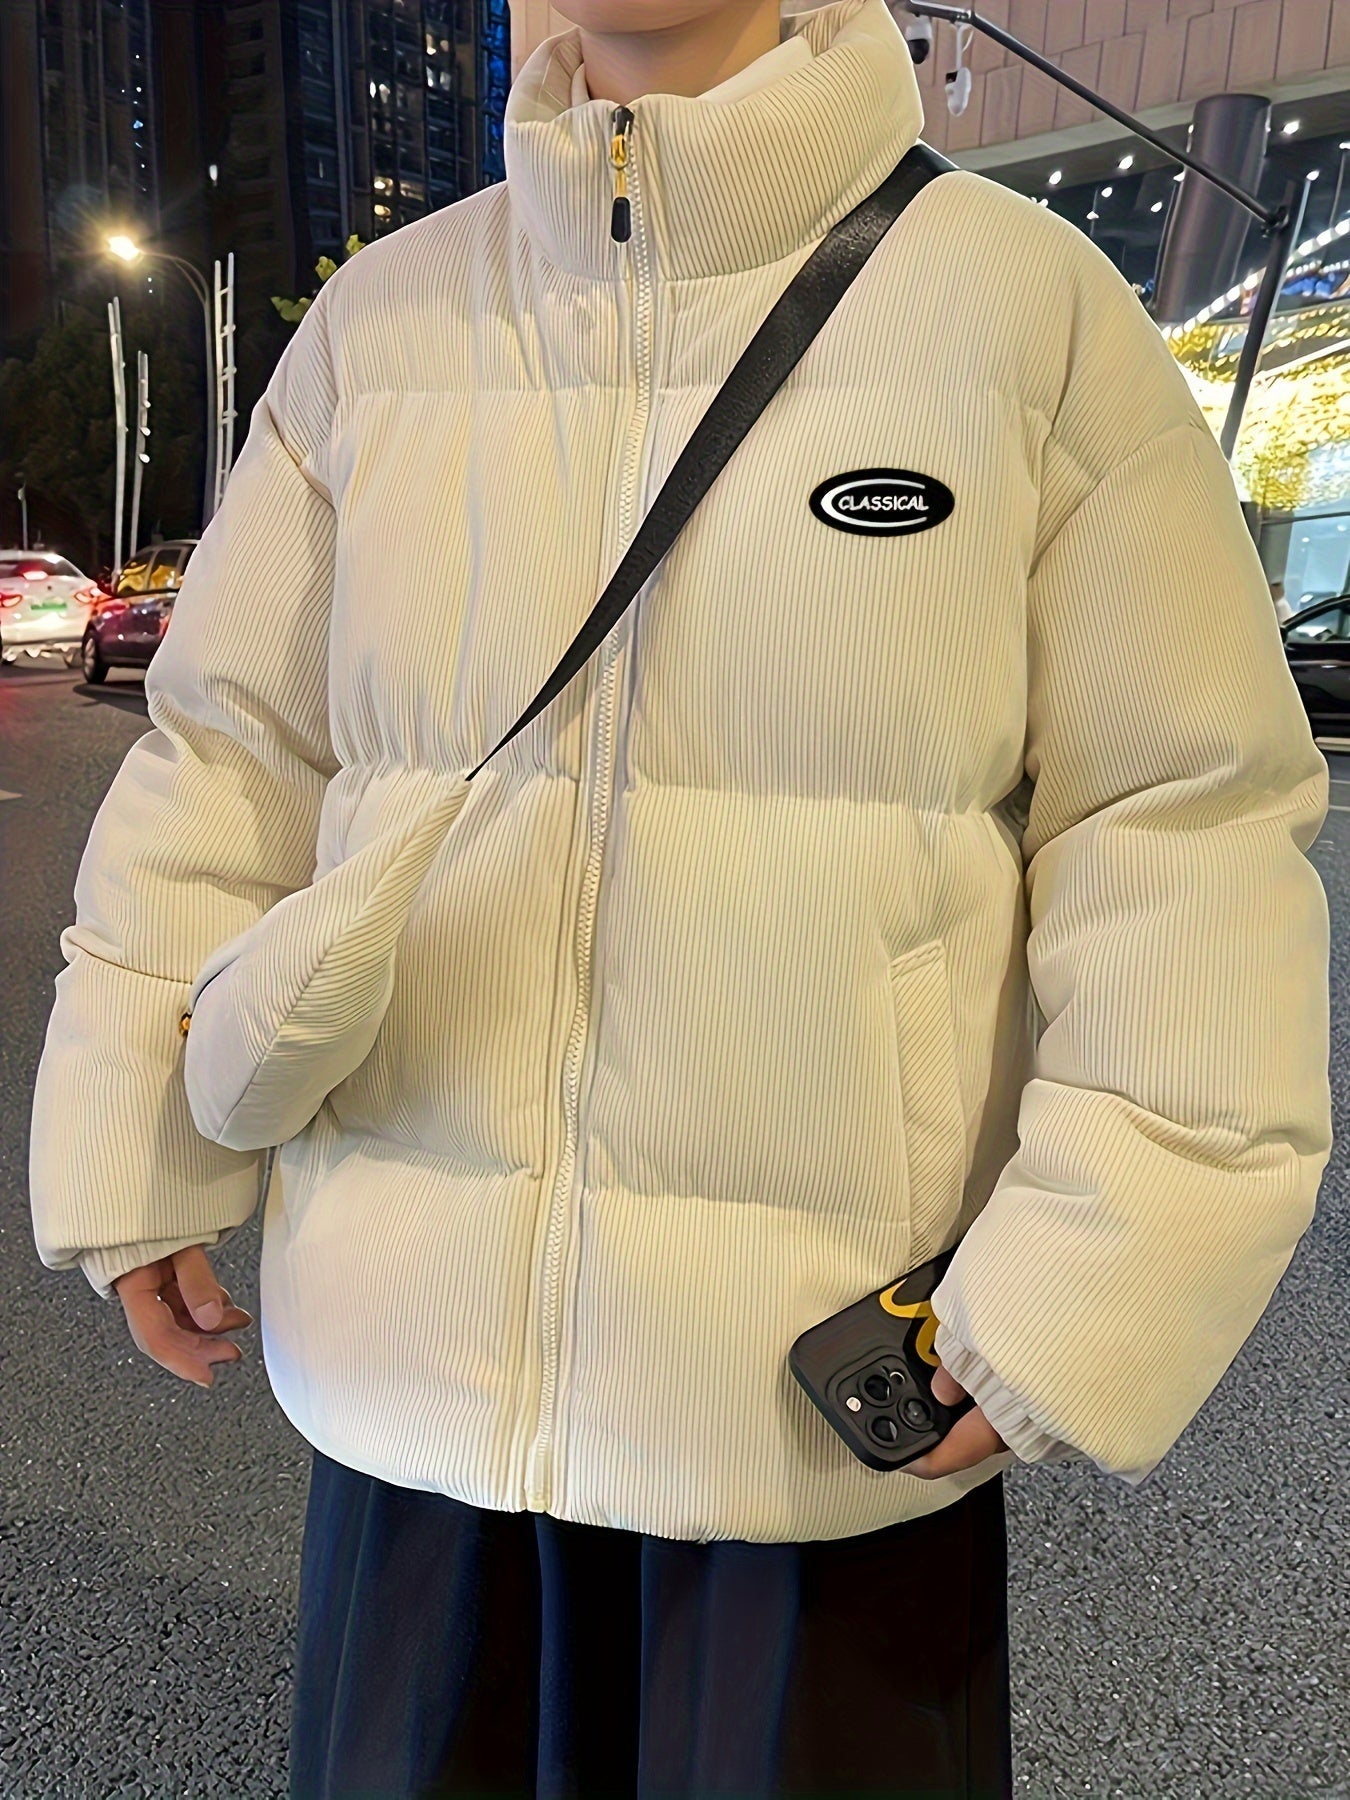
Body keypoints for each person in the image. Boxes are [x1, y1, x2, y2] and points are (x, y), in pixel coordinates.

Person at [29, 0, 1332, 1795]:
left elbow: (1179, 818)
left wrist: (1090, 1277)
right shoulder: (384, 324)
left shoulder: (1023, 310)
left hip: (810, 1416)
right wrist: (137, 1138)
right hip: (419, 1380)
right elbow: (231, 759)